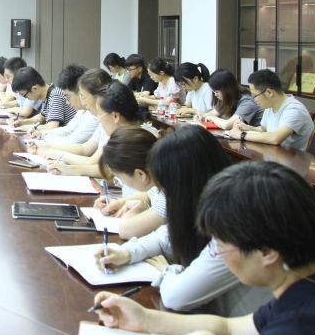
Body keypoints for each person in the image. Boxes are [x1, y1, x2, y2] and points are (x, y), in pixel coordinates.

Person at [91, 161, 315, 335]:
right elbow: (229, 329)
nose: (220, 254)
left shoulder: (298, 332)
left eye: (221, 244)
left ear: (267, 252)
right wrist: (144, 318)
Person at [96, 125, 271, 317]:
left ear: (183, 186)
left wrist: (167, 271)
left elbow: (175, 297)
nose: (164, 194)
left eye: (165, 186)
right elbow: (165, 236)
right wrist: (127, 253)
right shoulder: (207, 205)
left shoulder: (233, 226)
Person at [42, 79, 145, 178]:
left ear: (115, 116)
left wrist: (67, 165)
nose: (99, 120)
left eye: (100, 114)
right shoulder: (122, 133)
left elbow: (108, 172)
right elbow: (106, 169)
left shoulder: (132, 141)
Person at [94, 126, 165, 239]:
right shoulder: (160, 177)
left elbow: (125, 230)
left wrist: (140, 208)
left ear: (140, 174)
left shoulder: (171, 194)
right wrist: (121, 202)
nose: (118, 183)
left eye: (119, 178)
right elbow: (149, 195)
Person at [227, 69, 314, 150]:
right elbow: (264, 129)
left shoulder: (294, 109)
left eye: (255, 95)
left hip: (293, 159)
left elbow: (275, 138)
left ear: (269, 93)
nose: (253, 99)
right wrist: (247, 128)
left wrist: (241, 135)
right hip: (274, 154)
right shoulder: (270, 106)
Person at [29, 68, 109, 153]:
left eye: (83, 96)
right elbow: (68, 130)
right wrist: (42, 135)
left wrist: (45, 143)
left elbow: (77, 144)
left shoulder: (96, 117)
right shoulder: (85, 111)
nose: (83, 101)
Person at [10, 66, 76, 132]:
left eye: (24, 95)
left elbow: (52, 127)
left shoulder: (55, 94)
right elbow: (42, 117)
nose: (26, 98)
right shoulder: (48, 92)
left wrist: (31, 127)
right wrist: (23, 122)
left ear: (34, 89)